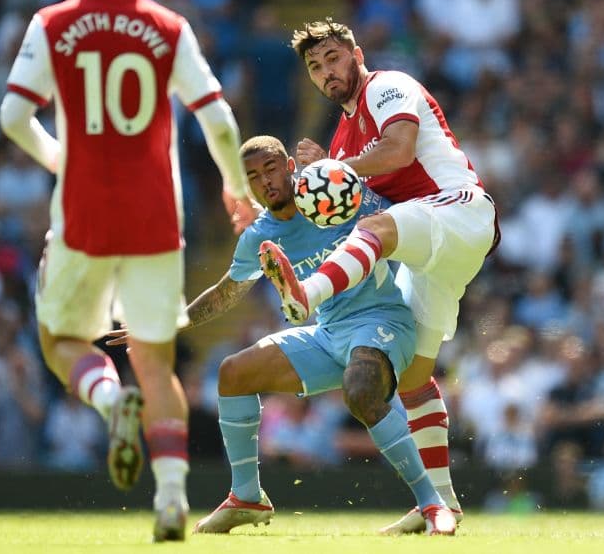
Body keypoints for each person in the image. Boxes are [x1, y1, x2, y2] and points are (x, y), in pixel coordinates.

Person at [0, 0, 254, 542]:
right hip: (155, 223)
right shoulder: (168, 27)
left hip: (83, 218)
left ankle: (110, 403)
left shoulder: (52, 24)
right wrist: (234, 184)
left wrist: (60, 158)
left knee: (63, 343)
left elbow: (11, 116)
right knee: (155, 359)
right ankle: (171, 500)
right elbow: (218, 120)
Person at [111, 136, 458, 536]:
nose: (266, 181)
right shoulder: (260, 235)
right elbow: (227, 292)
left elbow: (399, 220)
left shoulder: (335, 192)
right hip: (328, 333)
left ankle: (432, 503)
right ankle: (246, 496)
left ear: (291, 167)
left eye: (271, 169)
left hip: (382, 321)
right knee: (233, 374)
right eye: (254, 177)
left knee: (361, 388)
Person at [258, 18, 498, 533]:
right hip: (431, 248)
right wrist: (309, 188)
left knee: (375, 228)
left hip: (459, 209)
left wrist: (334, 170)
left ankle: (308, 292)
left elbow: (399, 150)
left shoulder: (388, 86)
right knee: (412, 379)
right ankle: (442, 504)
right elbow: (353, 208)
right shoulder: (342, 139)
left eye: (333, 59)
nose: (327, 72)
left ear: (356, 54)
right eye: (316, 67)